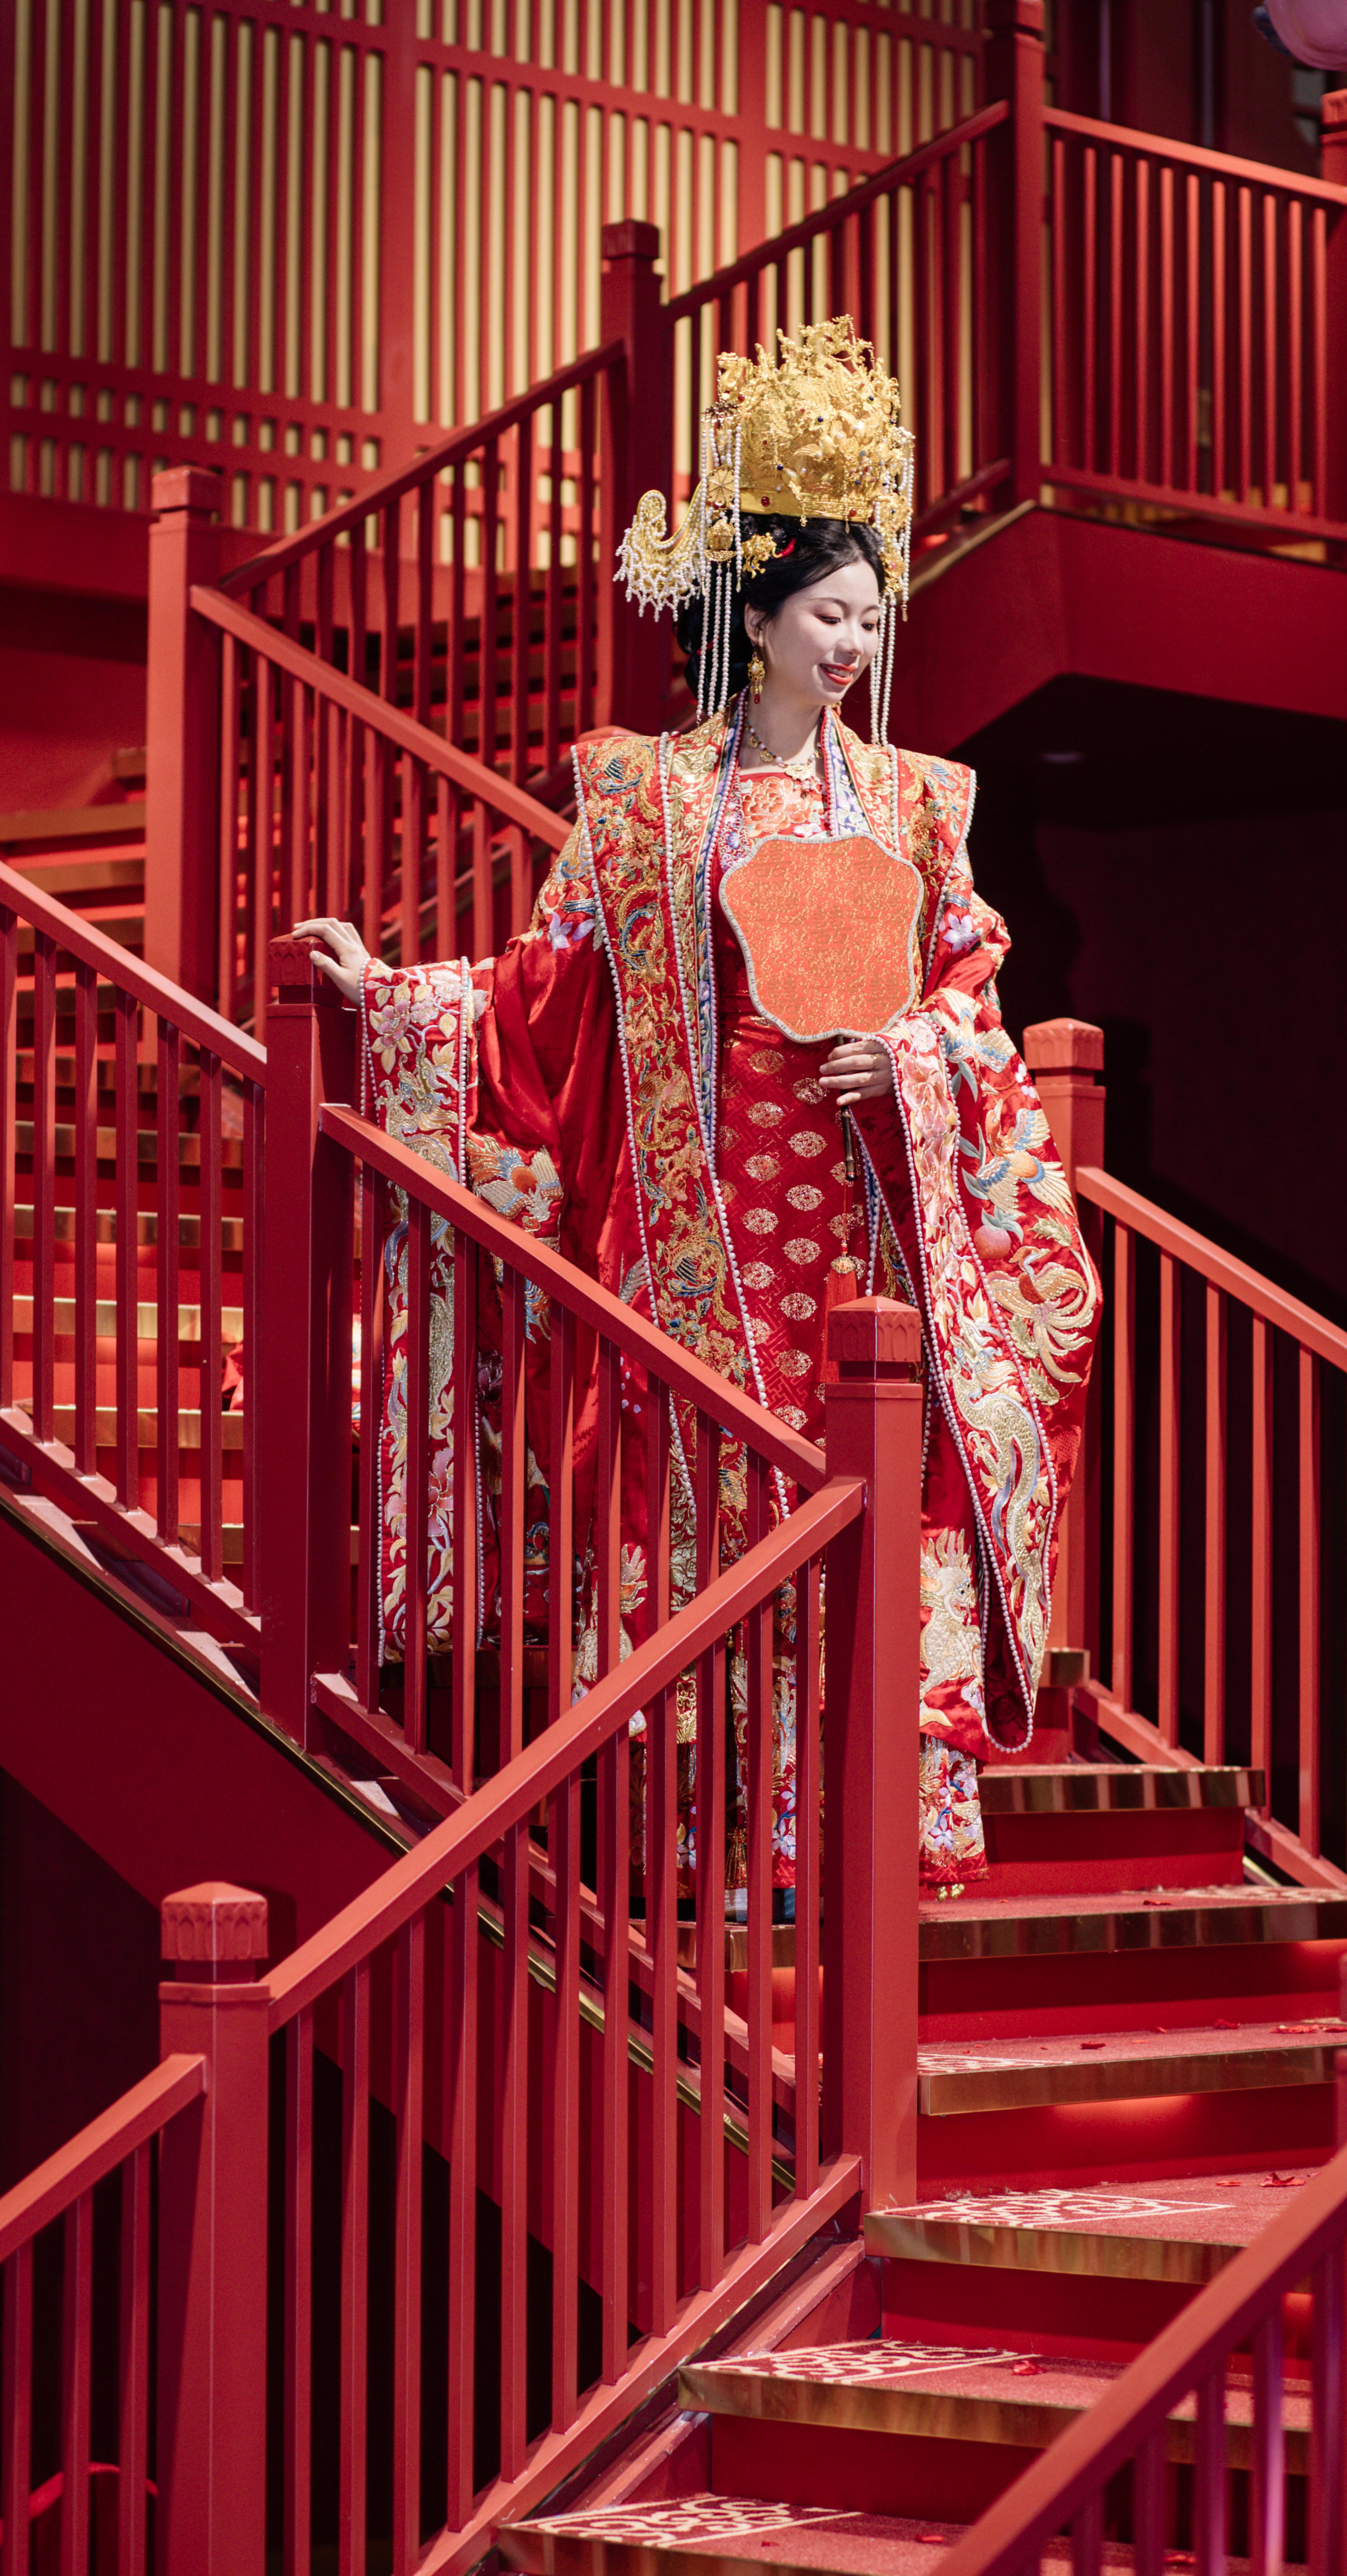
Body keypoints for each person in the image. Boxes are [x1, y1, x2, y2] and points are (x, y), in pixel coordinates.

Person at [294, 316, 1100, 1895]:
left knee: (875, 1483)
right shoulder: (641, 797)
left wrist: (913, 1058)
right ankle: (710, 1840)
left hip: (868, 1215)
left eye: (869, 616)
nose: (851, 643)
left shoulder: (921, 803)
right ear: (759, 613)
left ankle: (859, 1830)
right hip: (692, 1217)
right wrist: (388, 993)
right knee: (694, 1497)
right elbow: (543, 983)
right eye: (827, 613)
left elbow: (971, 995)